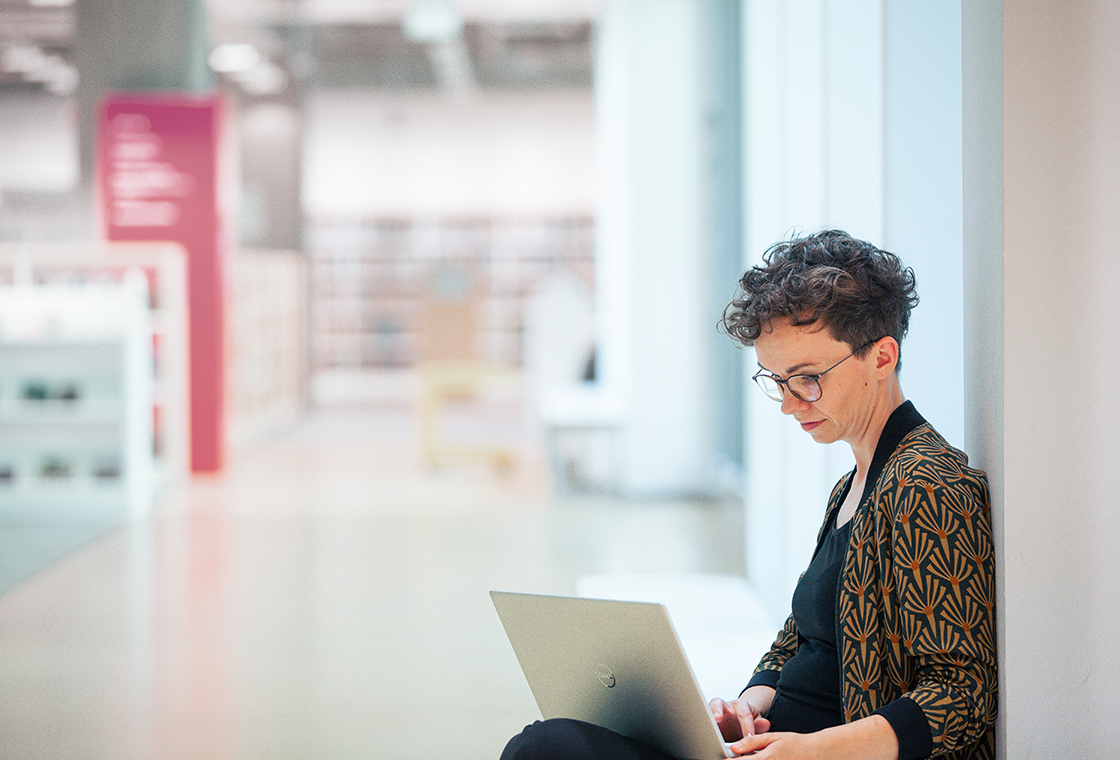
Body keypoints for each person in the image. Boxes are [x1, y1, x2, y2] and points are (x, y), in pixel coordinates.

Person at [501, 230, 997, 760]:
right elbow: (804, 634)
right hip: (769, 746)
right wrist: (750, 704)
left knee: (548, 746)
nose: (789, 404)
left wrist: (813, 751)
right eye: (778, 380)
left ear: (881, 357)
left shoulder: (928, 486)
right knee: (552, 740)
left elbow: (963, 694)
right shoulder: (857, 482)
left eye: (807, 379)